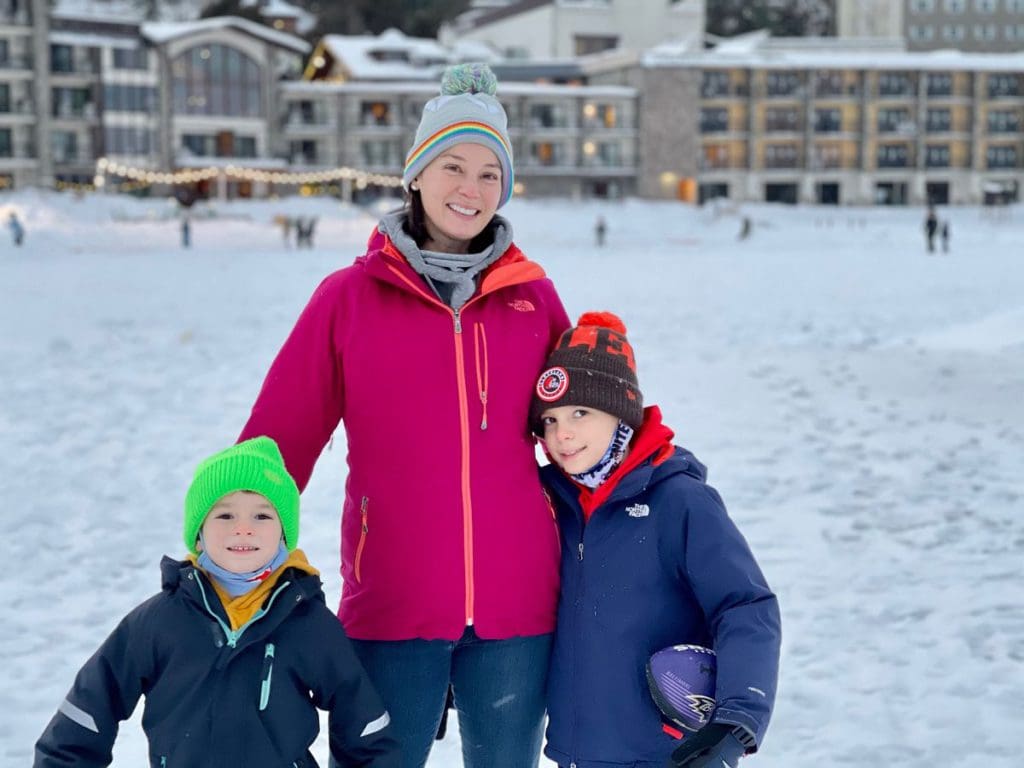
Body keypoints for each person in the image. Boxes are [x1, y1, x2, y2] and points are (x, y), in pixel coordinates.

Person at [238, 62, 570, 768]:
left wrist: (660, 499)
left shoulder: (532, 301)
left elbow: (585, 436)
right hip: (392, 601)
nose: (470, 189)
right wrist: (229, 550)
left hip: (519, 608)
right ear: (416, 173)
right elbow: (277, 441)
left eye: (489, 173)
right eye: (454, 165)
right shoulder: (348, 300)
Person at [34, 437, 399, 768]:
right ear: (199, 533)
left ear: (284, 534)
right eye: (224, 515)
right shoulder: (159, 622)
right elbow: (87, 713)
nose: (243, 528)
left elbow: (364, 729)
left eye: (262, 515)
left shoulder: (309, 624)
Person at [530, 312, 781, 768]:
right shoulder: (551, 500)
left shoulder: (682, 503)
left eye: (580, 413)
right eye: (549, 419)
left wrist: (737, 719)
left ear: (620, 414)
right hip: (575, 752)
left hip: (669, 753)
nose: (561, 434)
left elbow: (744, 605)